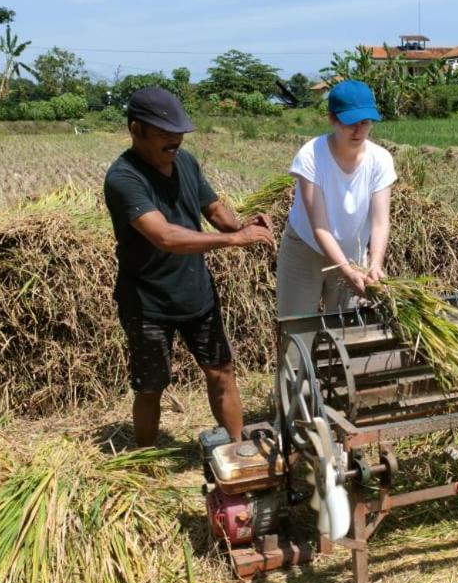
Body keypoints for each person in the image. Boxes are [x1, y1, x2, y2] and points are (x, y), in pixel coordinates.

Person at [103, 87, 275, 447]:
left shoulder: (186, 163)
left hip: (196, 292)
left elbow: (212, 210)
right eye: (165, 133)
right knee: (151, 387)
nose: (175, 140)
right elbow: (164, 236)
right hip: (148, 301)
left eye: (179, 132)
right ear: (136, 130)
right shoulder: (124, 178)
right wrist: (233, 240)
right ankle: (144, 460)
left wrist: (241, 225)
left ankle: (237, 448)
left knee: (221, 372)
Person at [277, 79, 396, 317]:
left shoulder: (380, 159)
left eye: (365, 122)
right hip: (306, 248)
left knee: (346, 333)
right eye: (350, 123)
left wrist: (375, 264)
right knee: (296, 330)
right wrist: (345, 270)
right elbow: (319, 227)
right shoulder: (311, 155)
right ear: (332, 119)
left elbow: (381, 221)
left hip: (352, 253)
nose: (359, 130)